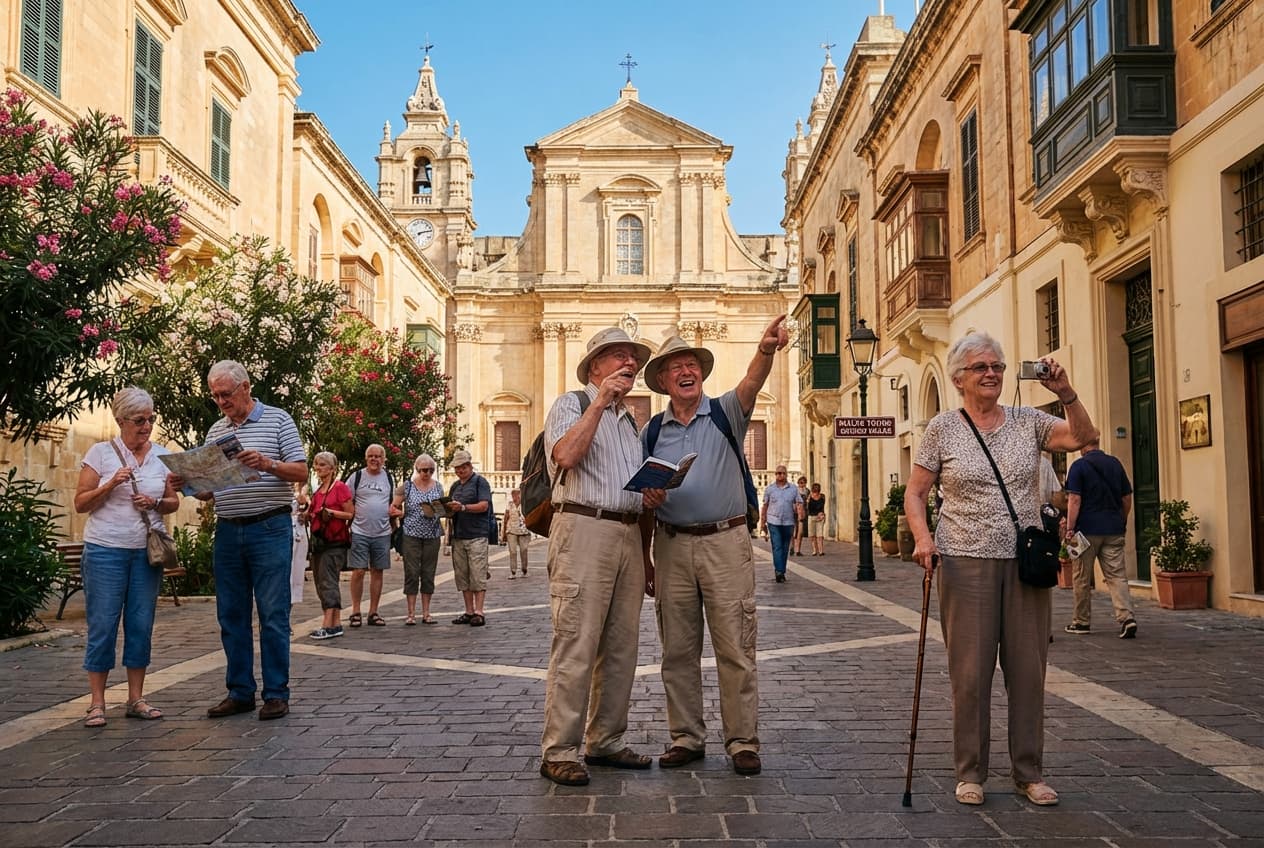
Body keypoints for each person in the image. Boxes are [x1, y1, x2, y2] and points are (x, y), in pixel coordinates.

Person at [904, 332, 1096, 807]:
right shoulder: (942, 429)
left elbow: (1085, 438)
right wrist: (923, 538)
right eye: (981, 367)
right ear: (958, 379)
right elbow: (915, 493)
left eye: (997, 366)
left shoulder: (1028, 421)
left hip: (1025, 562)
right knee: (970, 675)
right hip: (964, 562)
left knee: (1028, 672)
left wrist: (1066, 393)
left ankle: (1029, 772)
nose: (991, 373)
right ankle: (970, 771)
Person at [640, 317, 788, 777]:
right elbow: (641, 497)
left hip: (725, 541)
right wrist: (647, 543)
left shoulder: (726, 412)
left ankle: (742, 741)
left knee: (735, 646)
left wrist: (765, 351)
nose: (687, 371)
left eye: (693, 364)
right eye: (676, 367)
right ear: (663, 380)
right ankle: (686, 736)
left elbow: (751, 382)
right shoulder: (652, 432)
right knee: (677, 650)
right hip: (671, 546)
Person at [539, 326, 654, 787]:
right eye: (619, 356)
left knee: (622, 647)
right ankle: (560, 749)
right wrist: (599, 404)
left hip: (627, 534)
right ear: (594, 367)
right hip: (583, 527)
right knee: (577, 641)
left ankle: (605, 739)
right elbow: (566, 455)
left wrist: (647, 553)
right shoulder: (571, 403)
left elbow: (635, 488)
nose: (629, 363)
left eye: (633, 358)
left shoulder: (632, 423)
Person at [197, 360, 308, 721]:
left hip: (269, 527)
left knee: (273, 613)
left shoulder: (278, 420)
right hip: (228, 528)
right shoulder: (216, 430)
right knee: (231, 614)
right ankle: (240, 691)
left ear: (245, 388)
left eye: (225, 394)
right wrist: (194, 486)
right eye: (215, 396)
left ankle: (276, 692)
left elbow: (301, 471)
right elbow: (211, 488)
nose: (220, 402)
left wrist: (267, 464)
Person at [73, 387, 180, 727]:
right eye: (138, 420)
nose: (146, 426)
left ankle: (136, 698)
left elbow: (173, 502)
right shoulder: (100, 453)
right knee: (103, 624)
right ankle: (97, 703)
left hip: (145, 554)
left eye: (150, 419)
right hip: (105, 549)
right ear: (120, 421)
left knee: (140, 624)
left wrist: (156, 504)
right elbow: (80, 502)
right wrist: (109, 485)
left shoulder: (162, 456)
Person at [1063, 438, 1137, 639]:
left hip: (1085, 530)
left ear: (1082, 447)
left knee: (1081, 577)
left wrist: (1070, 528)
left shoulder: (1079, 466)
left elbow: (1075, 499)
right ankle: (1126, 617)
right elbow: (1127, 498)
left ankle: (1081, 622)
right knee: (1116, 575)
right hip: (1113, 528)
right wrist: (1121, 520)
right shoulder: (1115, 463)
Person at [346, 444, 395, 628]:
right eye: (370, 456)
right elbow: (346, 499)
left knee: (377, 571)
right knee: (358, 571)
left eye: (377, 456)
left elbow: (392, 501)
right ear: (366, 459)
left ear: (383, 459)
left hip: (382, 532)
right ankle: (355, 611)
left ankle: (373, 612)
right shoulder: (357, 477)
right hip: (360, 531)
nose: (374, 459)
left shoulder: (389, 477)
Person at [392, 453, 445, 625]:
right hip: (411, 535)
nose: (426, 473)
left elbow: (441, 510)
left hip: (432, 535)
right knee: (412, 573)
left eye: (430, 470)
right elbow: (392, 508)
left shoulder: (438, 487)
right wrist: (403, 513)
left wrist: (439, 511)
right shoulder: (407, 487)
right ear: (417, 469)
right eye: (423, 470)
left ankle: (427, 613)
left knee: (428, 573)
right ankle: (411, 613)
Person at [307, 451, 353, 640]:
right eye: (317, 464)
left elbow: (350, 513)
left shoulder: (339, 487)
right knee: (321, 582)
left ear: (333, 469)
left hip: (335, 542)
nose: (318, 468)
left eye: (323, 465)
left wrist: (331, 513)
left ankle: (328, 624)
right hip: (320, 543)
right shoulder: (318, 490)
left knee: (328, 582)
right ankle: (335, 623)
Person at [447, 448, 492, 626]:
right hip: (459, 535)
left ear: (469, 466)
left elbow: (484, 506)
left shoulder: (480, 482)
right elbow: (451, 507)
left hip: (477, 535)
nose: (459, 471)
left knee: (477, 573)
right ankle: (469, 610)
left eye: (462, 467)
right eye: (457, 468)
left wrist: (464, 507)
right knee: (463, 575)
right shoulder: (455, 486)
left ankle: (479, 611)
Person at [761, 465, 803, 582]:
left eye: (783, 473)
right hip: (773, 521)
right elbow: (765, 506)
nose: (781, 475)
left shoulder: (793, 489)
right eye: (779, 473)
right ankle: (779, 571)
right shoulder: (770, 489)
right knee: (777, 546)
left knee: (785, 547)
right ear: (775, 474)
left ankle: (781, 570)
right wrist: (762, 523)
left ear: (786, 474)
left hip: (788, 522)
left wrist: (800, 514)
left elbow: (799, 502)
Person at [502, 487, 531, 578]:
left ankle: (524, 569)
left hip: (524, 530)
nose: (515, 497)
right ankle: (513, 571)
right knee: (512, 551)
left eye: (517, 494)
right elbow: (506, 518)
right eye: (513, 495)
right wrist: (503, 532)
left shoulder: (525, 504)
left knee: (524, 550)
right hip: (511, 530)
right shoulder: (509, 505)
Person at [289, 482, 309, 609]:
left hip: (297, 533)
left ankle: (285, 618)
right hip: (279, 532)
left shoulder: (302, 492)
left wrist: (305, 511)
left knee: (295, 573)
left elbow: (308, 507)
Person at [806, 482, 826, 556]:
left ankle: (821, 551)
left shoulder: (822, 496)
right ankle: (814, 550)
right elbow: (807, 508)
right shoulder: (809, 497)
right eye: (814, 491)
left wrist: (822, 514)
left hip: (820, 517)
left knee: (820, 535)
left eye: (817, 492)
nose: (816, 493)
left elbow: (822, 507)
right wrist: (808, 501)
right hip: (811, 517)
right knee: (812, 535)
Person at [793, 475, 809, 555]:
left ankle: (798, 550)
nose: (802, 485)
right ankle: (792, 547)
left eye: (803, 483)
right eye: (800, 483)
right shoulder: (795, 491)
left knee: (801, 532)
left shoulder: (807, 491)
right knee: (793, 531)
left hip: (802, 513)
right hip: (794, 512)